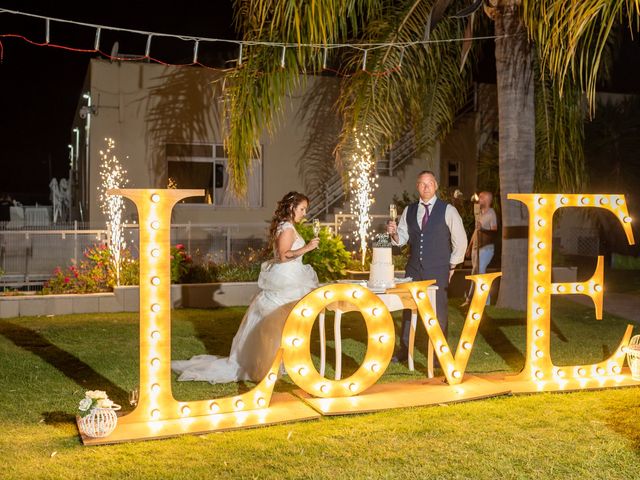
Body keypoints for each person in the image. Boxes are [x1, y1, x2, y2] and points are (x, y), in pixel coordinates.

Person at [172, 192, 320, 384]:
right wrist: (307, 248)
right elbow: (284, 255)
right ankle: (265, 363)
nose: (304, 213)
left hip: (289, 278)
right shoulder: (287, 228)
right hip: (286, 280)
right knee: (278, 323)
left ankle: (280, 362)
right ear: (292, 208)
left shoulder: (287, 226)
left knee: (284, 324)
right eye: (302, 209)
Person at [387, 170, 467, 363]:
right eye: (422, 184)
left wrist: (452, 266)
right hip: (413, 268)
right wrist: (395, 234)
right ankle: (405, 351)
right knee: (409, 309)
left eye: (429, 183)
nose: (426, 187)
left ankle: (440, 356)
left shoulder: (448, 210)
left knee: (438, 312)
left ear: (436, 186)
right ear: (417, 187)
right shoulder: (410, 210)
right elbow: (403, 239)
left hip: (438, 268)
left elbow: (461, 241)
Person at [462, 191, 498, 307]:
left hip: (486, 248)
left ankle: (485, 302)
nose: (479, 199)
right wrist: (469, 247)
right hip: (476, 249)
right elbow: (475, 231)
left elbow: (494, 231)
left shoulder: (491, 213)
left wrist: (482, 228)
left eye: (481, 197)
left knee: (480, 272)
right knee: (475, 272)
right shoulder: (479, 213)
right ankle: (470, 299)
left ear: (487, 200)